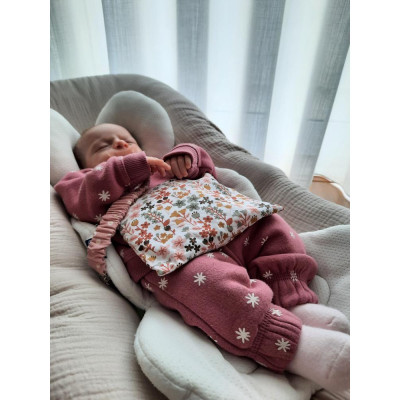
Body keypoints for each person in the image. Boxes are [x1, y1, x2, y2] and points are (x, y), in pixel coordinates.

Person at [55, 123, 350, 392]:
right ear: (85, 164)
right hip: (176, 250)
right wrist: (123, 169)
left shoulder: (163, 166)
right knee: (208, 287)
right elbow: (77, 198)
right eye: (104, 145)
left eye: (126, 139)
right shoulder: (86, 182)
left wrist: (186, 156)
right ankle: (292, 344)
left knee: (273, 229)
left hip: (227, 221)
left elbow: (206, 168)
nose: (119, 144)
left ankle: (294, 302)